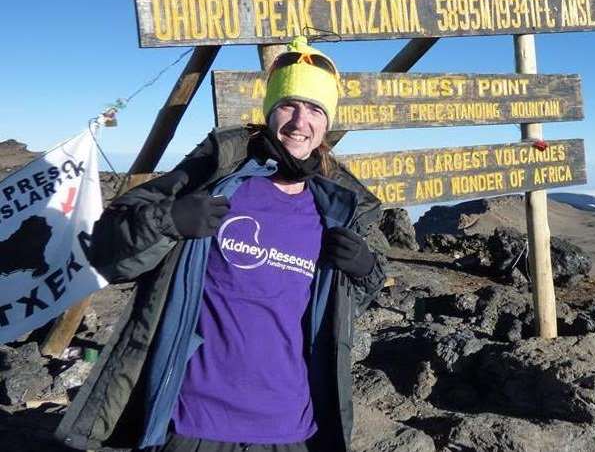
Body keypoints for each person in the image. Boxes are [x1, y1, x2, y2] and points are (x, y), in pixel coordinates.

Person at [56, 37, 385, 452]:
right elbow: (106, 248)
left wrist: (365, 267)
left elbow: (352, 301)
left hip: (292, 426)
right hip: (194, 421)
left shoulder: (337, 207)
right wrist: (168, 220)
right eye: (289, 105)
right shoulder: (217, 174)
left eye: (315, 109)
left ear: (326, 124)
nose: (300, 121)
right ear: (269, 111)